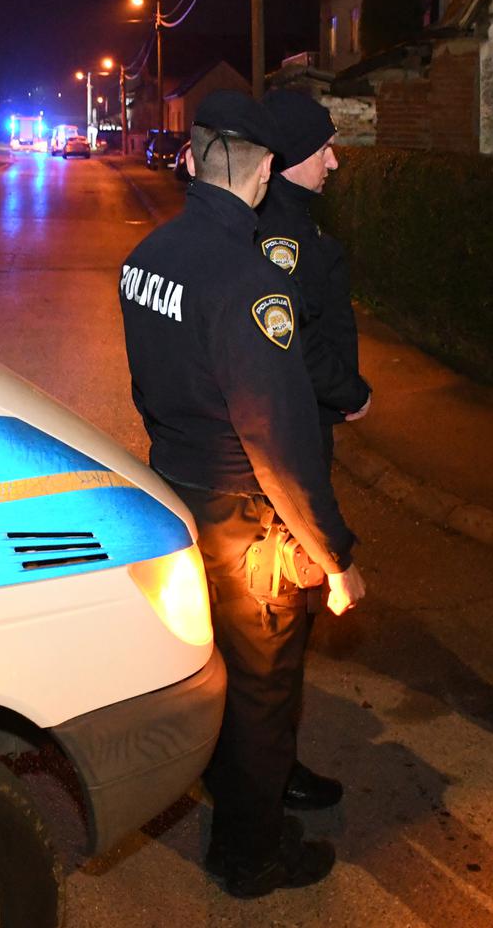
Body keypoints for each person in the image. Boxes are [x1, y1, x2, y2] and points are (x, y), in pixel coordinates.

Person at [118, 89, 366, 899]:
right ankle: (249, 854)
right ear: (263, 171)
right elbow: (279, 441)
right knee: (263, 692)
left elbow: (149, 386)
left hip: (178, 489)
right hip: (247, 516)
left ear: (191, 158)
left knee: (216, 669)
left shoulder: (147, 256)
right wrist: (333, 554)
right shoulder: (251, 282)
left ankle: (231, 799)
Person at [254, 89, 371, 812]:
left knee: (273, 628)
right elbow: (288, 337)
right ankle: (268, 775)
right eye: (323, 148)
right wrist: (349, 391)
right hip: (289, 438)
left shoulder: (288, 221)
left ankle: (263, 760)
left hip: (292, 427)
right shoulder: (283, 236)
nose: (334, 160)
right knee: (277, 624)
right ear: (292, 157)